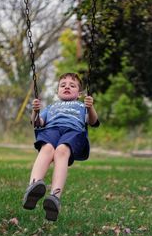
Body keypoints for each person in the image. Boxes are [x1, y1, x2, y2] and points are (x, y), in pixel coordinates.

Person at [22, 72, 99, 221]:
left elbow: (92, 121)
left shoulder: (81, 106)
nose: (67, 87)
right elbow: (38, 123)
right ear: (57, 91)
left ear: (79, 93)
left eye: (72, 85)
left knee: (62, 151)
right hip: (51, 130)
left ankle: (54, 197)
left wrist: (90, 108)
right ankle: (33, 187)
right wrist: (35, 111)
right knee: (47, 149)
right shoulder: (51, 107)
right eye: (63, 85)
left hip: (73, 131)